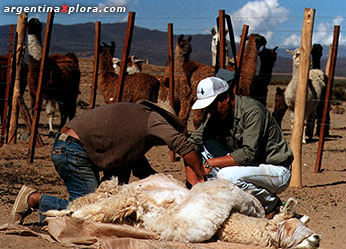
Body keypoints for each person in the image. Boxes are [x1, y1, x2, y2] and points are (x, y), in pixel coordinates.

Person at [11, 101, 207, 224]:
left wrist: (171, 190)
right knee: (93, 211)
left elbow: (143, 171)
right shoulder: (154, 119)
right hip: (73, 149)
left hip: (71, 146)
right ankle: (35, 199)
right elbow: (183, 145)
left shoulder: (136, 127)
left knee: (100, 205)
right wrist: (200, 177)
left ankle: (52, 215)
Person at [185, 69, 294, 217]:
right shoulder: (217, 115)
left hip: (275, 169)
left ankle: (272, 205)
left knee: (227, 175)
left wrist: (211, 163)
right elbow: (192, 144)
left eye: (212, 106)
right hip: (246, 167)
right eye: (207, 108)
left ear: (226, 98)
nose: (210, 112)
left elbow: (249, 153)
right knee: (202, 147)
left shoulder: (252, 111)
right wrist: (193, 184)